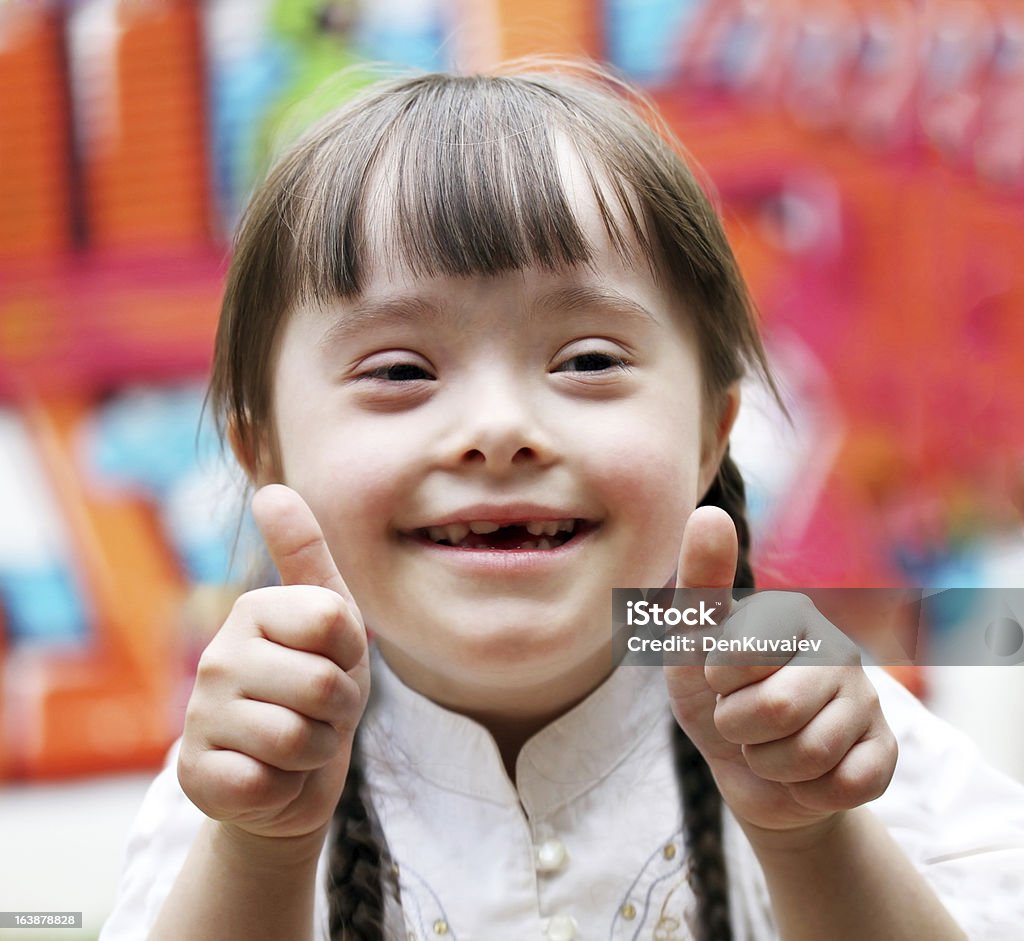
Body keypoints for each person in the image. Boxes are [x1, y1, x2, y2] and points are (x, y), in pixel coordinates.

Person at [101, 59, 1024, 941]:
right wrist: (260, 850)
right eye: (398, 369)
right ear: (263, 453)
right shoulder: (228, 793)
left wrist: (813, 835)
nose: (499, 427)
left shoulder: (841, 741)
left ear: (712, 433)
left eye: (587, 360)